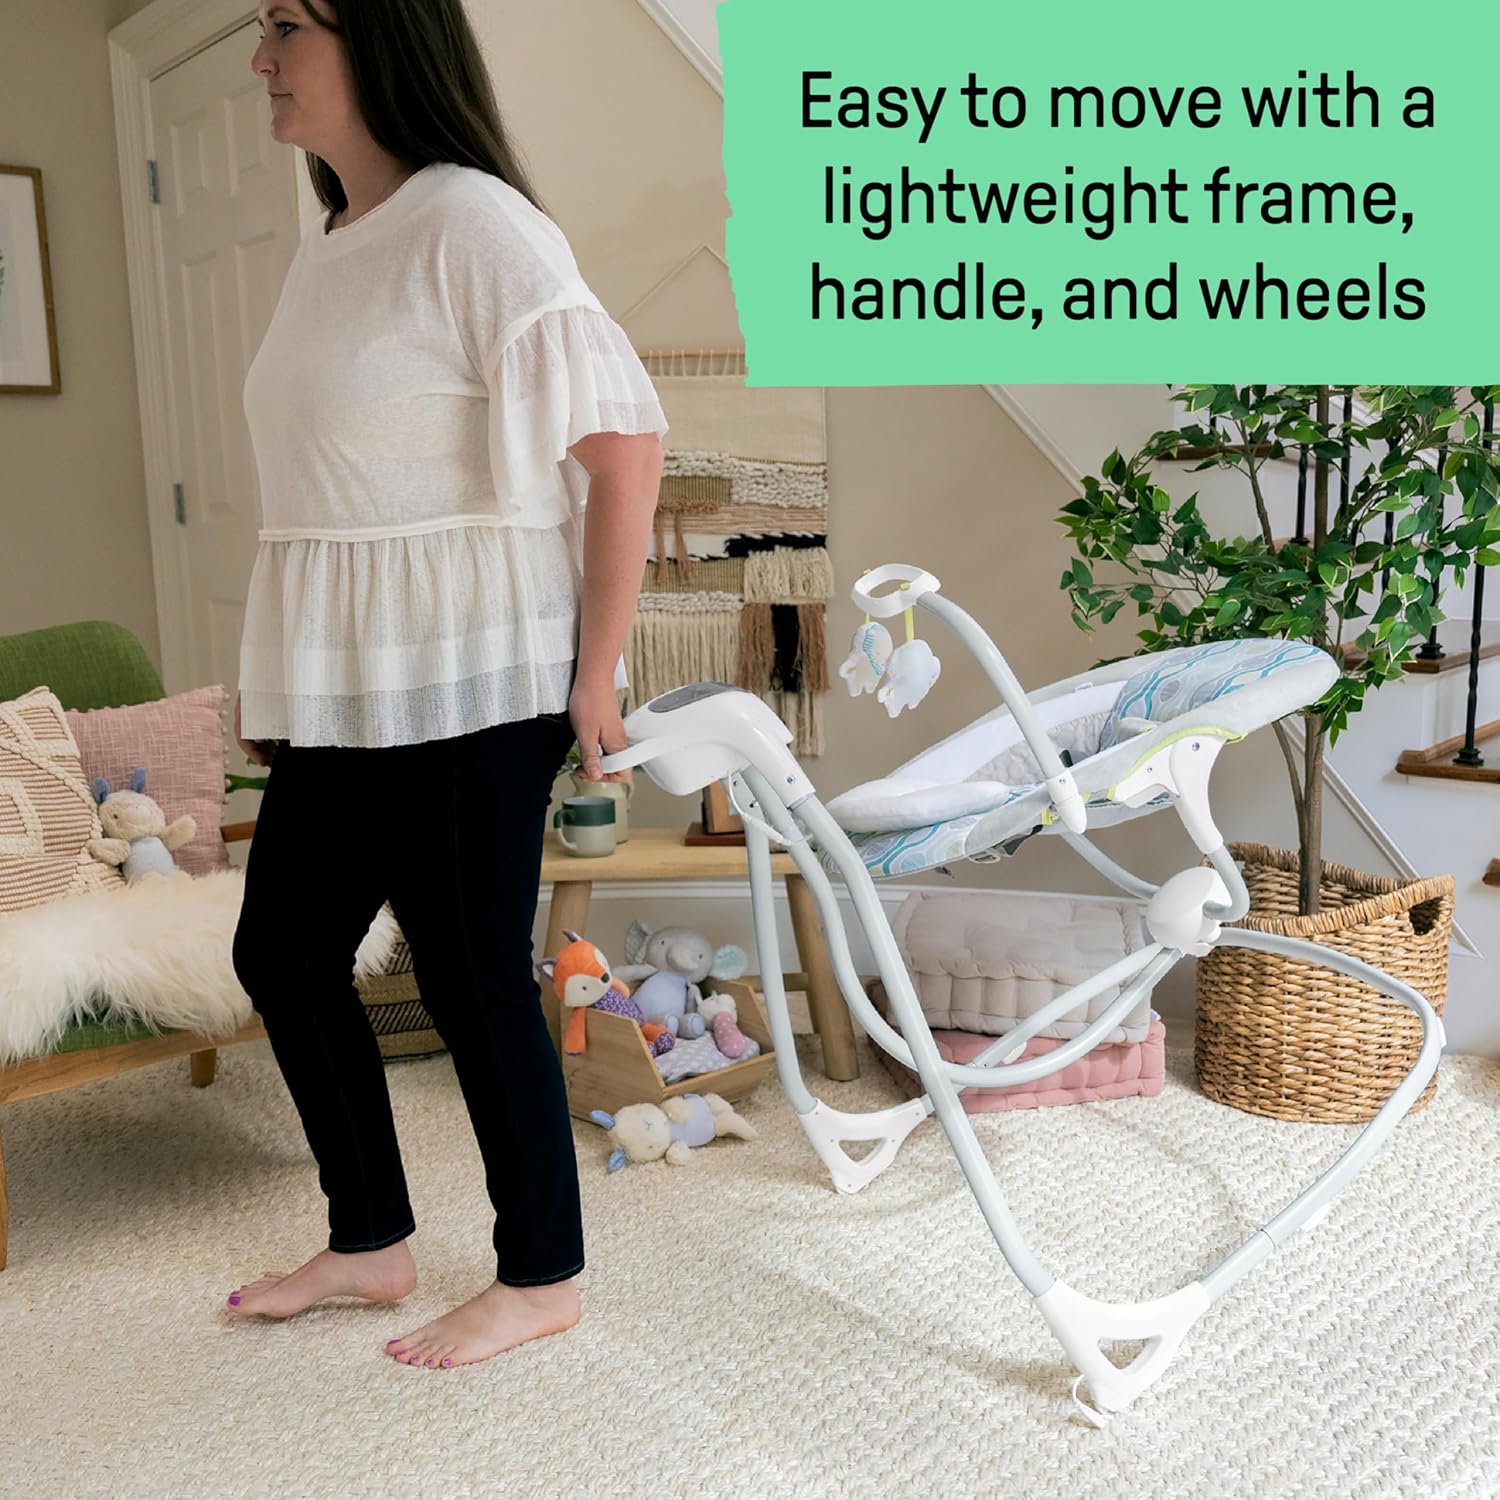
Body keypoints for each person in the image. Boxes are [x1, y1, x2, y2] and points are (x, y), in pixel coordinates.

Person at [227, 0, 666, 1371]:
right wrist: (292, 683)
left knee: (472, 976)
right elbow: (338, 492)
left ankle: (541, 1275)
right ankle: (370, 1240)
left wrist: (595, 676)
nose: (260, 58)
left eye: (285, 24)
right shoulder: (336, 240)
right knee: (284, 952)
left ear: (380, 37)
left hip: (480, 674)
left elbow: (625, 447)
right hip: (354, 685)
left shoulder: (476, 222)